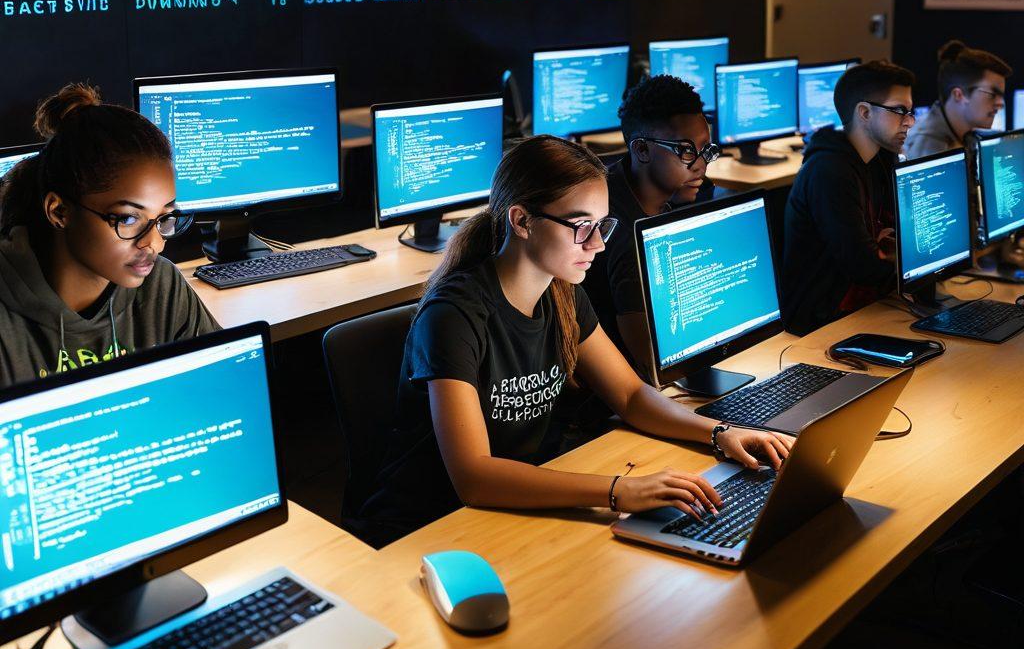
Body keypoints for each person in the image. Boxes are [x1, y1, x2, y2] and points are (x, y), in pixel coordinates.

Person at [357, 135, 790, 547]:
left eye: (603, 225)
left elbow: (630, 394)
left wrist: (719, 433)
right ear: (522, 220)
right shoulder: (453, 317)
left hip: (524, 500)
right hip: (435, 522)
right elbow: (474, 476)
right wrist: (620, 491)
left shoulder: (561, 290)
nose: (598, 244)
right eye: (582, 226)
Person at [0, 83, 219, 387]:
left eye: (164, 217)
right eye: (129, 218)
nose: (154, 243)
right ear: (60, 212)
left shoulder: (161, 286)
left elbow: (221, 391)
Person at [587, 75, 721, 379]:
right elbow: (653, 366)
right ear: (642, 150)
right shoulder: (620, 231)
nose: (701, 164)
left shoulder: (680, 192)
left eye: (705, 149)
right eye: (686, 150)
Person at [781, 61, 916, 337]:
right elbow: (865, 266)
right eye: (899, 111)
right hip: (822, 324)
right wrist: (891, 255)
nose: (910, 121)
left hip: (869, 306)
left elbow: (904, 236)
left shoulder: (880, 158)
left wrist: (891, 251)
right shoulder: (829, 172)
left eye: (910, 112)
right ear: (864, 113)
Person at [904, 40, 1011, 160]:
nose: (1001, 104)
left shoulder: (963, 135)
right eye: (992, 94)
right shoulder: (930, 151)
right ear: (958, 95)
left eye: (1001, 96)